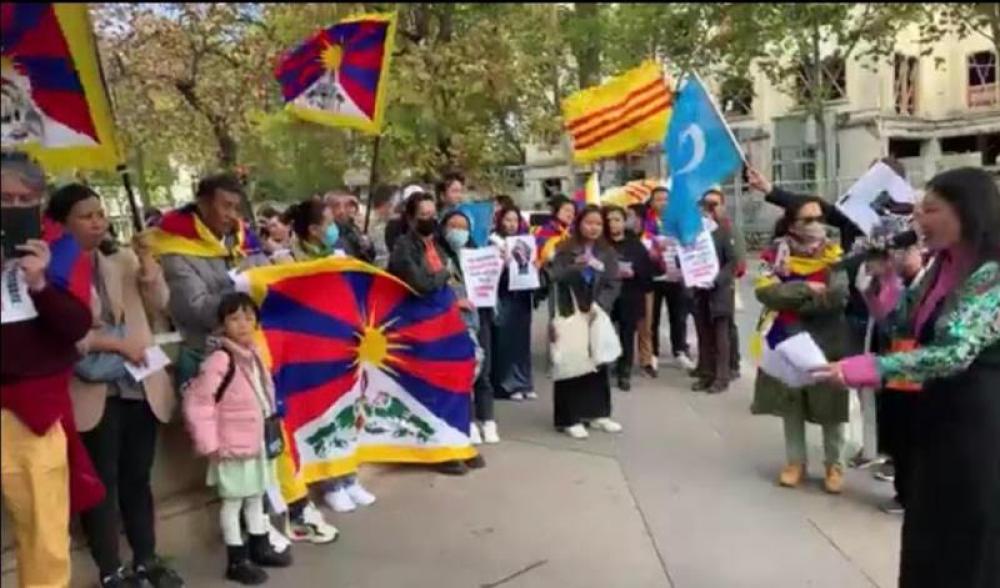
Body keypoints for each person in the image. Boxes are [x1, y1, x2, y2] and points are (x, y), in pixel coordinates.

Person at [812, 167, 1000, 588]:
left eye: (930, 210)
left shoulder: (992, 273)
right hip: (937, 414)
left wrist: (868, 370)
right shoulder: (942, 266)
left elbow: (954, 352)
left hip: (981, 420)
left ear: (967, 212)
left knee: (970, 536)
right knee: (928, 529)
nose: (919, 222)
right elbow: (901, 324)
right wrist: (885, 279)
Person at [47, 185, 183, 588]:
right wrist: (117, 344)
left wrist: (146, 260)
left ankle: (147, 559)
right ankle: (111, 570)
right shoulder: (54, 269)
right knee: (100, 484)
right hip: (92, 391)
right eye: (85, 215)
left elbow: (160, 304)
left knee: (137, 478)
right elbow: (68, 336)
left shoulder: (120, 259)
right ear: (63, 223)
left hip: (138, 385)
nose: (96, 222)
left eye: (100, 213)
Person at [747, 159, 907, 468]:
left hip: (892, 313)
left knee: (891, 387)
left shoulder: (909, 223)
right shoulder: (851, 219)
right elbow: (815, 208)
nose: (815, 225)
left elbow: (834, 293)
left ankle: (889, 454)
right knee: (856, 387)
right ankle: (870, 449)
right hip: (856, 315)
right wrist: (771, 190)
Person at [1, 157, 102, 588]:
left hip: (31, 413)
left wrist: (40, 285)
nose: (14, 206)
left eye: (25, 199)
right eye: (4, 199)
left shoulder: (61, 254)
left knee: (43, 534)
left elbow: (76, 327)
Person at [183, 293, 292, 585]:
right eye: (234, 318)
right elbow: (199, 403)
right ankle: (237, 558)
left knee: (256, 495)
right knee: (233, 502)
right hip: (231, 446)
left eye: (248, 317)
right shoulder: (220, 359)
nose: (242, 324)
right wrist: (210, 444)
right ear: (222, 324)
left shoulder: (254, 354)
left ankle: (259, 545)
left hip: (255, 442)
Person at [282, 198, 379, 514]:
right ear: (312, 230)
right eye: (328, 222)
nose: (334, 227)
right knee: (322, 417)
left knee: (349, 412)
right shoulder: (288, 260)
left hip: (343, 345)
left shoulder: (339, 257)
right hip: (310, 351)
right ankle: (330, 482)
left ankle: (349, 476)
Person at [751, 196, 851, 494]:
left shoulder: (835, 255)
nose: (816, 225)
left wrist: (790, 297)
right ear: (792, 224)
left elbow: (837, 297)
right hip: (787, 337)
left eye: (819, 218)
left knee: (831, 405)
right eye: (808, 220)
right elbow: (766, 293)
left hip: (827, 337)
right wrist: (806, 288)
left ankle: (835, 465)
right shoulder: (775, 255)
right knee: (791, 402)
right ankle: (795, 462)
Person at [388, 192, 485, 474]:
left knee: (459, 378)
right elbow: (422, 284)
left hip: (446, 321)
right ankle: (437, 451)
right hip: (420, 325)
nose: (430, 219)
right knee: (434, 386)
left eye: (433, 214)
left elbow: (448, 281)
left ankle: (458, 442)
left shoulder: (439, 244)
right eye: (423, 215)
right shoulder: (404, 248)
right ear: (410, 217)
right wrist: (443, 273)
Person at [150, 173, 271, 390]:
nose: (232, 216)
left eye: (236, 208)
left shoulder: (245, 242)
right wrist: (243, 286)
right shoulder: (176, 251)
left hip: (253, 354)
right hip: (207, 359)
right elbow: (193, 309)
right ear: (203, 204)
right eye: (226, 207)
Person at [547, 205, 623, 439]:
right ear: (579, 223)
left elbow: (614, 282)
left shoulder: (607, 252)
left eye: (598, 224)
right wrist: (576, 266)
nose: (593, 228)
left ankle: (599, 414)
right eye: (589, 223)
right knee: (571, 363)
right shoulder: (564, 248)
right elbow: (554, 277)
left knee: (597, 362)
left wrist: (599, 306)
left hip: (596, 312)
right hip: (570, 311)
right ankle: (569, 418)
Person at [440, 209, 500, 445]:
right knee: (464, 371)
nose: (458, 232)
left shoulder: (478, 253)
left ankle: (488, 419)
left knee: (484, 371)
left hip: (480, 316)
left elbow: (493, 281)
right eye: (453, 226)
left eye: (463, 227)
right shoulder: (439, 257)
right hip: (454, 321)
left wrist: (499, 263)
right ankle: (468, 419)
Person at [689, 190, 738, 394]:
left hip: (720, 293)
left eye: (707, 211)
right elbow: (684, 260)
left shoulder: (722, 233)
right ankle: (706, 374)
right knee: (703, 335)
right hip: (699, 292)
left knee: (721, 337)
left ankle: (722, 377)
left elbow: (733, 261)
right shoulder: (692, 236)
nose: (704, 215)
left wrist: (716, 279)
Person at [643, 186, 696, 375]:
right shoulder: (645, 222)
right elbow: (642, 243)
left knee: (679, 316)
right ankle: (653, 353)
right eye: (658, 199)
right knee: (652, 317)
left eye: (666, 199)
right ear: (651, 202)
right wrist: (655, 245)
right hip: (654, 276)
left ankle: (680, 350)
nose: (663, 202)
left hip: (676, 276)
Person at [603, 205, 655, 392]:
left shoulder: (635, 244)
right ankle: (606, 366)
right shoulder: (602, 243)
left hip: (630, 294)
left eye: (617, 219)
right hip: (606, 296)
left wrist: (634, 271)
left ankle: (625, 371)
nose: (612, 224)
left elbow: (648, 270)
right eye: (608, 220)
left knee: (627, 334)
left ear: (624, 222)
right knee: (606, 332)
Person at [490, 205, 537, 400]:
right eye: (507, 220)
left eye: (515, 220)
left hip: (522, 295)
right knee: (504, 342)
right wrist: (502, 263)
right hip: (503, 295)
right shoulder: (493, 241)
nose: (511, 224)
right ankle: (506, 385)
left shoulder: (524, 241)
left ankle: (523, 383)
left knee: (522, 342)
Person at [325, 192, 375, 263]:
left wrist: (368, 246)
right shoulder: (328, 233)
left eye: (345, 206)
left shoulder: (353, 228)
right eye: (337, 206)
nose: (342, 211)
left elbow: (369, 257)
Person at [534, 196, 575, 264]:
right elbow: (536, 254)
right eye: (567, 210)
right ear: (556, 211)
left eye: (573, 212)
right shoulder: (544, 231)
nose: (571, 215)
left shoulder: (575, 232)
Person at [366, 184, 397, 268]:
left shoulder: (386, 222)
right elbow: (383, 255)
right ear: (385, 204)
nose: (393, 209)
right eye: (391, 205)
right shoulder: (373, 225)